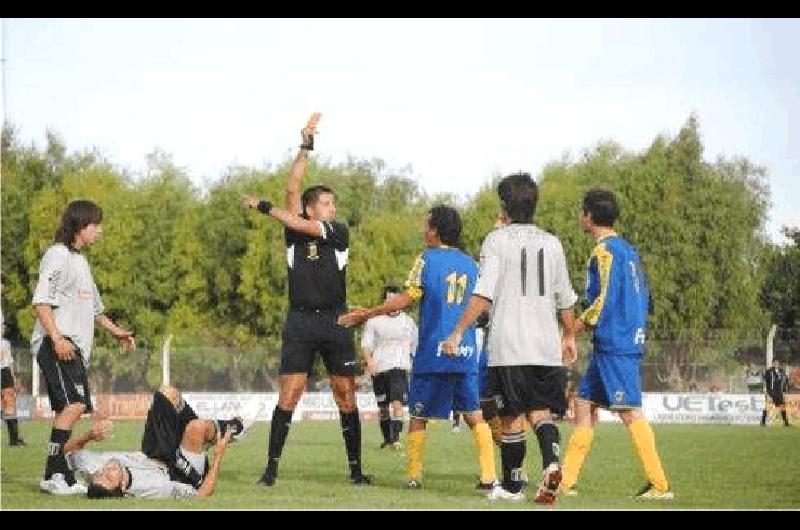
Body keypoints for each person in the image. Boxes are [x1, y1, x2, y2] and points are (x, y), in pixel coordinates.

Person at [244, 113, 372, 487]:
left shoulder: (338, 231)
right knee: (291, 394)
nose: (333, 208)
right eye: (327, 204)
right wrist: (305, 145)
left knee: (345, 394)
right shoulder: (295, 230)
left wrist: (264, 207)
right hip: (300, 321)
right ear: (312, 206)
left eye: (333, 204)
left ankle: (356, 471)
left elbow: (292, 218)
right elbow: (292, 187)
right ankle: (270, 470)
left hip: (335, 320)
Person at [339, 205, 497, 491]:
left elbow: (405, 299)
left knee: (419, 416)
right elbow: (483, 303)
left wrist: (368, 313)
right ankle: (488, 477)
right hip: (465, 352)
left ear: (435, 230)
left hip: (433, 352)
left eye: (427, 225)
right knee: (474, 413)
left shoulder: (426, 259)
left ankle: (414, 476)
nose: (424, 230)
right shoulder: (472, 264)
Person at [443, 172, 578, 505]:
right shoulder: (553, 243)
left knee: (511, 417)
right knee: (542, 413)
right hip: (546, 346)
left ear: (504, 206)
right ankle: (551, 464)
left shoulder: (496, 240)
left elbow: (483, 294)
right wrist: (569, 336)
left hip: (509, 346)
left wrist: (458, 331)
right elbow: (566, 299)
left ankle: (513, 487)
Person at [558, 188, 673, 500]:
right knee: (583, 406)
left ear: (590, 217)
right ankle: (566, 482)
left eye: (583, 212)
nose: (581, 217)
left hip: (615, 343)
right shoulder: (629, 251)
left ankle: (660, 485)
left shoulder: (604, 252)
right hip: (617, 341)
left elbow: (601, 302)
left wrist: (571, 332)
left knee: (629, 412)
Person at [31, 200, 136, 494]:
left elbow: (95, 309)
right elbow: (41, 302)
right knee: (75, 406)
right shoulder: (57, 255)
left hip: (72, 347)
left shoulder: (82, 262)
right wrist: (57, 338)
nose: (99, 231)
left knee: (70, 409)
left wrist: (118, 332)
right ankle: (54, 473)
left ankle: (58, 473)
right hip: (59, 343)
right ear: (80, 226)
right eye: (96, 225)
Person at [67, 386, 246, 498]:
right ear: (122, 487)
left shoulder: (92, 466)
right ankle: (233, 428)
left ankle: (211, 436)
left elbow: (65, 451)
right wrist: (218, 457)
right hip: (176, 470)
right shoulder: (154, 488)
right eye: (109, 478)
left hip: (153, 452)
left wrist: (88, 436)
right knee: (196, 428)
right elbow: (201, 495)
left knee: (168, 394)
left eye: (99, 476)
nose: (105, 471)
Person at [360, 285, 417, 450]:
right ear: (384, 301)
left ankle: (396, 439)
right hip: (379, 369)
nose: (392, 302)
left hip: (398, 368)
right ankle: (387, 439)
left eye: (396, 300)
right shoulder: (374, 320)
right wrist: (369, 360)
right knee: (383, 407)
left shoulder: (408, 322)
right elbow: (366, 344)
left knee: (397, 403)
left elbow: (416, 346)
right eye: (389, 299)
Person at [1, 322, 25, 446]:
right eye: (2, 326)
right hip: (4, 374)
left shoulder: (6, 343)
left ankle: (14, 439)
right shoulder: (4, 343)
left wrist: (13, 378)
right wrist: (13, 378)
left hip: (5, 374)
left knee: (8, 407)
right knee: (9, 407)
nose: (4, 328)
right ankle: (14, 439)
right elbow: (8, 362)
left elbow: (9, 361)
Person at [762, 359, 790, 427]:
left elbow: (785, 381)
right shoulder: (769, 371)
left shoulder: (781, 371)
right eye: (775, 363)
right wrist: (765, 390)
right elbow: (765, 381)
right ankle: (763, 421)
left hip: (779, 392)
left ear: (779, 364)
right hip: (771, 391)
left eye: (777, 363)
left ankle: (785, 422)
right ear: (773, 364)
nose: (776, 364)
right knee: (767, 406)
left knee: (783, 406)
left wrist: (785, 391)